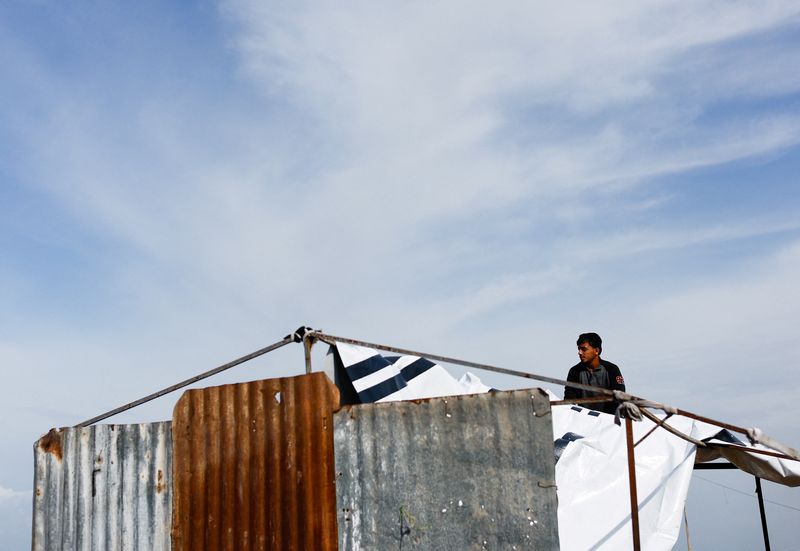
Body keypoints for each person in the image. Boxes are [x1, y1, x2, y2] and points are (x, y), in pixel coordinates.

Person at [564, 332, 625, 414]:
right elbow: (569, 401)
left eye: (584, 349)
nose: (579, 352)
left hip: (609, 421)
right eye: (579, 349)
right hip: (584, 420)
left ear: (596, 351)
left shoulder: (611, 369)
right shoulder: (574, 371)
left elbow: (620, 398)